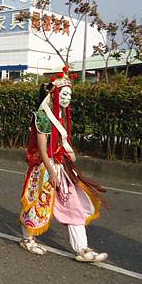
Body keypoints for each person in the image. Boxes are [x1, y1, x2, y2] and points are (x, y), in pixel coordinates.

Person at [19, 67, 109, 262]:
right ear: (55, 94)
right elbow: (43, 149)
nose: (68, 98)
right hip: (45, 168)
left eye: (70, 94)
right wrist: (51, 170)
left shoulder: (62, 116)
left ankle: (82, 249)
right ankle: (27, 238)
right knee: (38, 205)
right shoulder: (42, 116)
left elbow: (59, 143)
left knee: (73, 204)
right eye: (64, 93)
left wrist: (67, 155)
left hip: (61, 167)